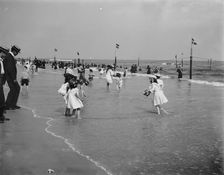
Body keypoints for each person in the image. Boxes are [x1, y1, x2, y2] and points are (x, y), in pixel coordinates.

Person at [3, 45, 21, 110]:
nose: (17, 54)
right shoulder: (9, 57)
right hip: (10, 77)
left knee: (14, 89)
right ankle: (9, 105)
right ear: (14, 51)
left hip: (9, 76)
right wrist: (14, 78)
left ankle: (11, 105)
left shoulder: (9, 56)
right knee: (15, 89)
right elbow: (10, 69)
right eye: (17, 52)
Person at [0, 49, 10, 123]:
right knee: (1, 98)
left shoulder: (1, 60)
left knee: (2, 98)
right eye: (4, 53)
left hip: (1, 80)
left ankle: (1, 116)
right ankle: (1, 117)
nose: (6, 55)